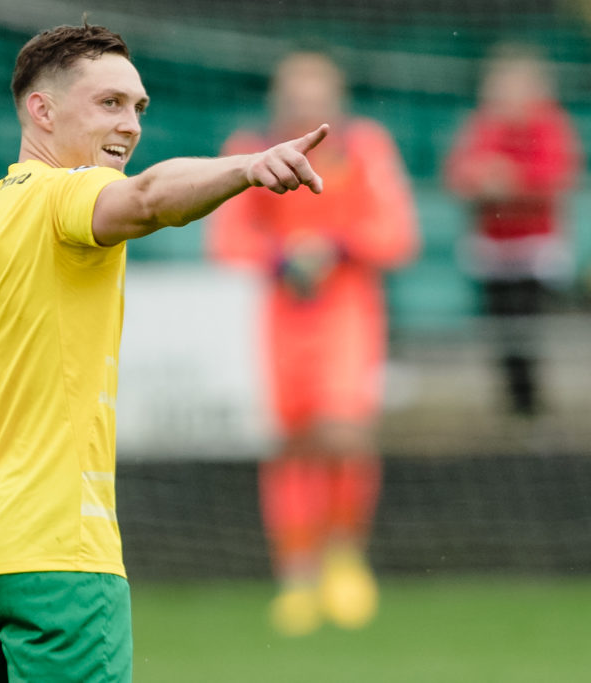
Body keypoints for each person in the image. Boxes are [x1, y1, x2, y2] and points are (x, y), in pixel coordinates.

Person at [0, 23, 329, 682]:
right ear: (41, 110)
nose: (129, 124)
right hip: (55, 556)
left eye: (139, 108)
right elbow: (151, 197)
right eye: (109, 103)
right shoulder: (67, 194)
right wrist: (245, 167)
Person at [207, 51, 418, 636]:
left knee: (344, 430)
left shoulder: (365, 148)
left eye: (317, 95)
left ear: (336, 101)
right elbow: (226, 238)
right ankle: (297, 576)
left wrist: (336, 247)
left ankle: (346, 557)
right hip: (282, 314)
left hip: (348, 309)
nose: (306, 106)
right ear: (278, 100)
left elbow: (397, 233)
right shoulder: (249, 148)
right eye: (295, 95)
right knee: (293, 441)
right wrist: (280, 255)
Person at [445, 44, 583, 418]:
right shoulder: (483, 124)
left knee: (528, 327)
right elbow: (459, 172)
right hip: (493, 247)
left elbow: (557, 176)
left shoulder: (550, 124)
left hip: (534, 248)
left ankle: (531, 404)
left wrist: (511, 180)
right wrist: (483, 178)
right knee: (500, 328)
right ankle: (513, 402)